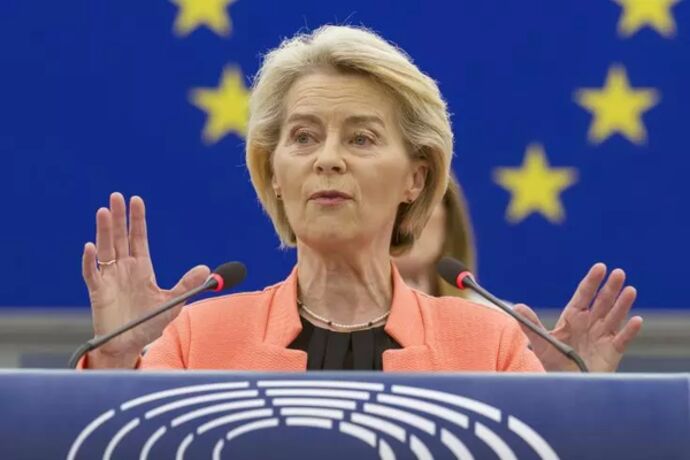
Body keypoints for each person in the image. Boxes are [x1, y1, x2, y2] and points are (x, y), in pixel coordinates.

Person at [82, 25, 562, 371]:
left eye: (361, 139)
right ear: (273, 172)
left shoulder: (488, 346)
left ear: (415, 178)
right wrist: (114, 360)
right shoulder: (198, 340)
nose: (328, 159)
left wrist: (579, 402)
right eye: (304, 137)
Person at [394, 173, 643, 372]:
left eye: (422, 200)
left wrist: (559, 385)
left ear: (450, 217)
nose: (407, 216)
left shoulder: (501, 322)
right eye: (396, 200)